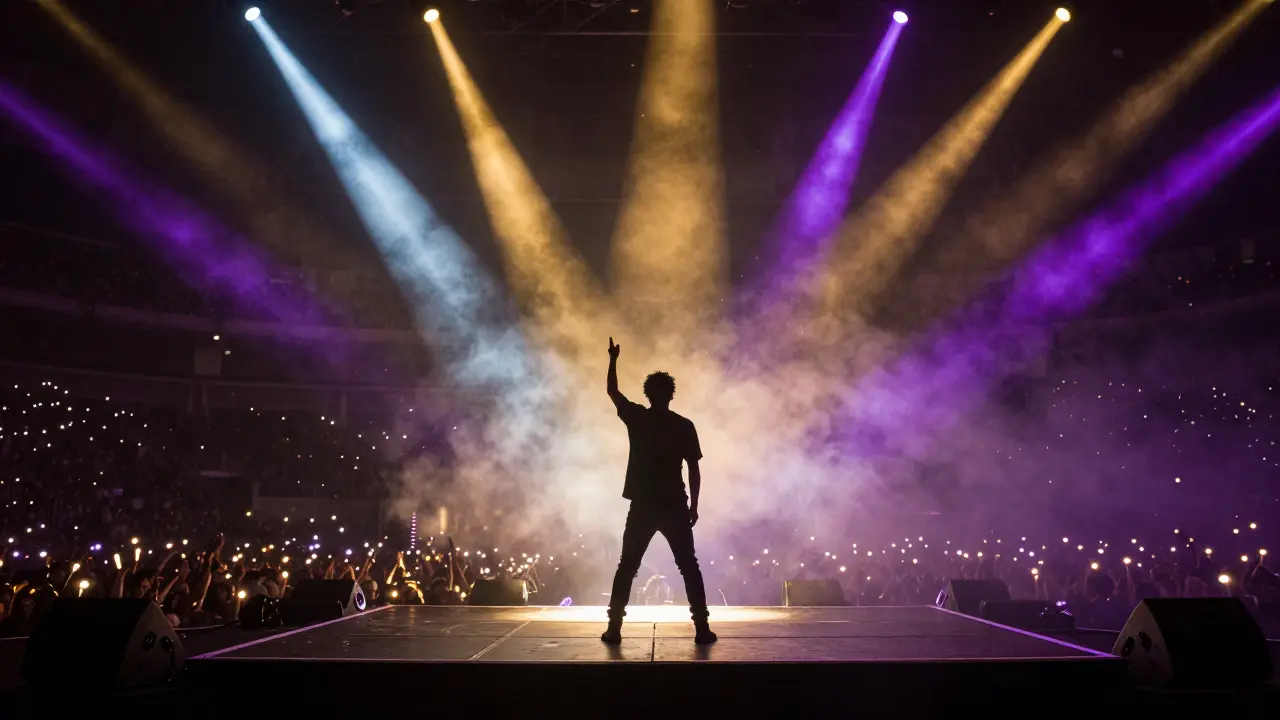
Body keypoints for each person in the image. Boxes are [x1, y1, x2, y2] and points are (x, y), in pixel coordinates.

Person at [601, 337, 716, 645]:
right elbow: (693, 468)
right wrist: (694, 506)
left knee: (627, 565)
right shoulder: (683, 425)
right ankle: (702, 629)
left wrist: (613, 359)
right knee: (689, 566)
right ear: (671, 395)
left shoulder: (638, 418)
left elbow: (612, 392)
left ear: (648, 394)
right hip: (674, 503)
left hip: (643, 504)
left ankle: (614, 629)